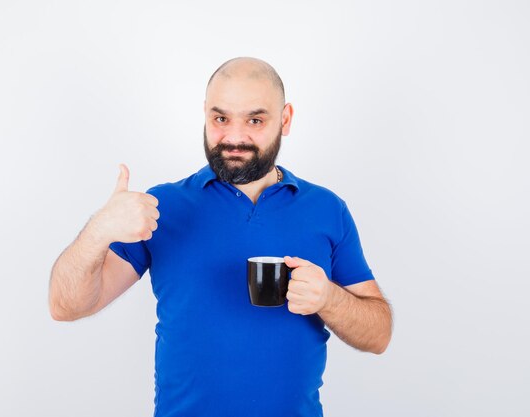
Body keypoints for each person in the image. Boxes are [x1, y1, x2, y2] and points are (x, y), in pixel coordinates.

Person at [49, 57, 393, 417]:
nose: (234, 137)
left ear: (285, 120)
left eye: (255, 120)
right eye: (221, 118)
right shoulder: (162, 205)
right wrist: (98, 231)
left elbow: (379, 335)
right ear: (204, 114)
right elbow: (66, 306)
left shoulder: (327, 209)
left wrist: (329, 299)